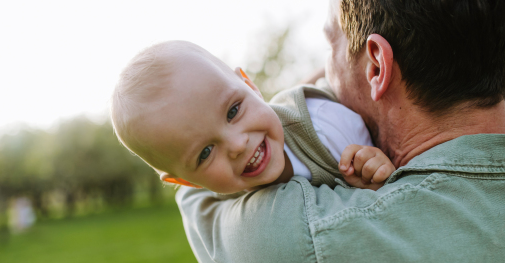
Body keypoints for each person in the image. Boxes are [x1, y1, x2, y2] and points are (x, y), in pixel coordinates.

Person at [176, 0, 505, 263]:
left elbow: (195, 183)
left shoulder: (311, 244)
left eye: (331, 42)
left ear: (377, 66)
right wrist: (481, 59)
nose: (324, 74)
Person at [110, 41, 396, 193]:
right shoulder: (223, 215)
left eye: (233, 111)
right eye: (205, 153)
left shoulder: (327, 127)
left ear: (250, 85)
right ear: (187, 182)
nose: (236, 145)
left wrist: (376, 169)